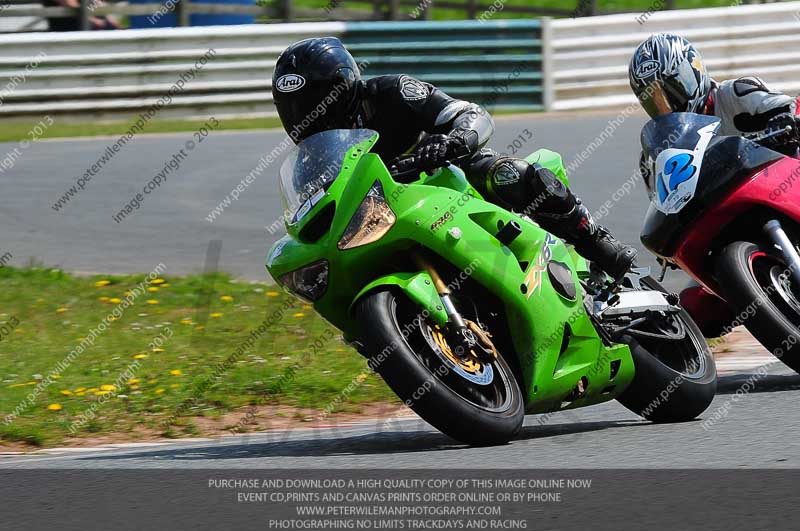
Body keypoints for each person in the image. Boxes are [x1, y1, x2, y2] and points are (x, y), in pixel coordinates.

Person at [271, 37, 637, 281]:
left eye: (315, 102)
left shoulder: (393, 92)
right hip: (386, 219)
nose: (308, 116)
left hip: (447, 177)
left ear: (342, 89)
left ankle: (596, 243)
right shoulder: (310, 163)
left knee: (511, 175)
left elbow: (469, 113)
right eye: (294, 109)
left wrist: (453, 142)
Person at [629, 33, 800, 194]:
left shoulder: (739, 93)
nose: (664, 108)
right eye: (652, 101)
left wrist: (785, 123)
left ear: (692, 74)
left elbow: (794, 107)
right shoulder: (655, 155)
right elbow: (661, 209)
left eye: (671, 92)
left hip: (781, 187)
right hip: (722, 213)